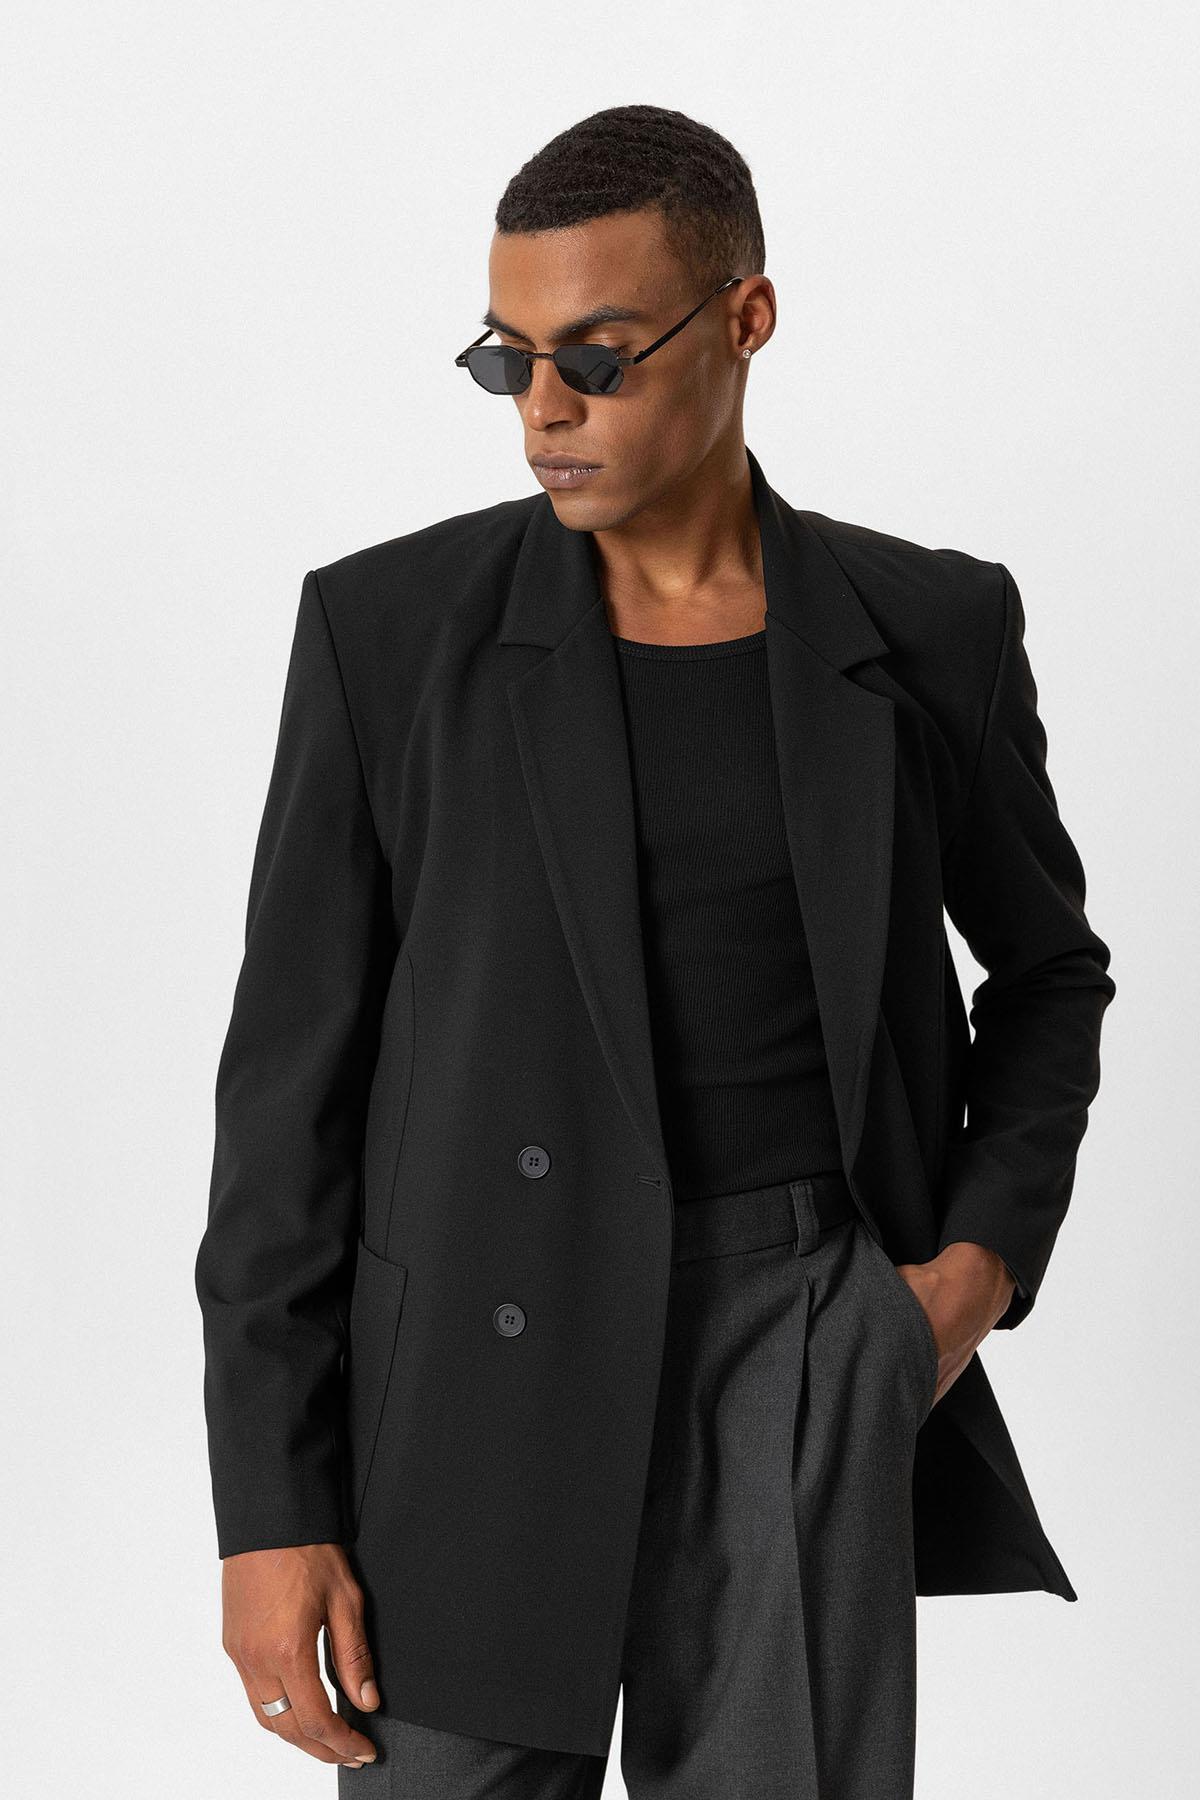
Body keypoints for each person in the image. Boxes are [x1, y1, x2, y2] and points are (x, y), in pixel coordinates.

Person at [195, 104, 1116, 1798]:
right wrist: (268, 1507)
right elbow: (284, 1102)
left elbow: (1051, 972)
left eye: (598, 359)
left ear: (746, 319)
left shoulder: (933, 629)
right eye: (509, 359)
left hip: (800, 1339)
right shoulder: (387, 636)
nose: (544, 408)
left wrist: (966, 1278)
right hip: (468, 1366)